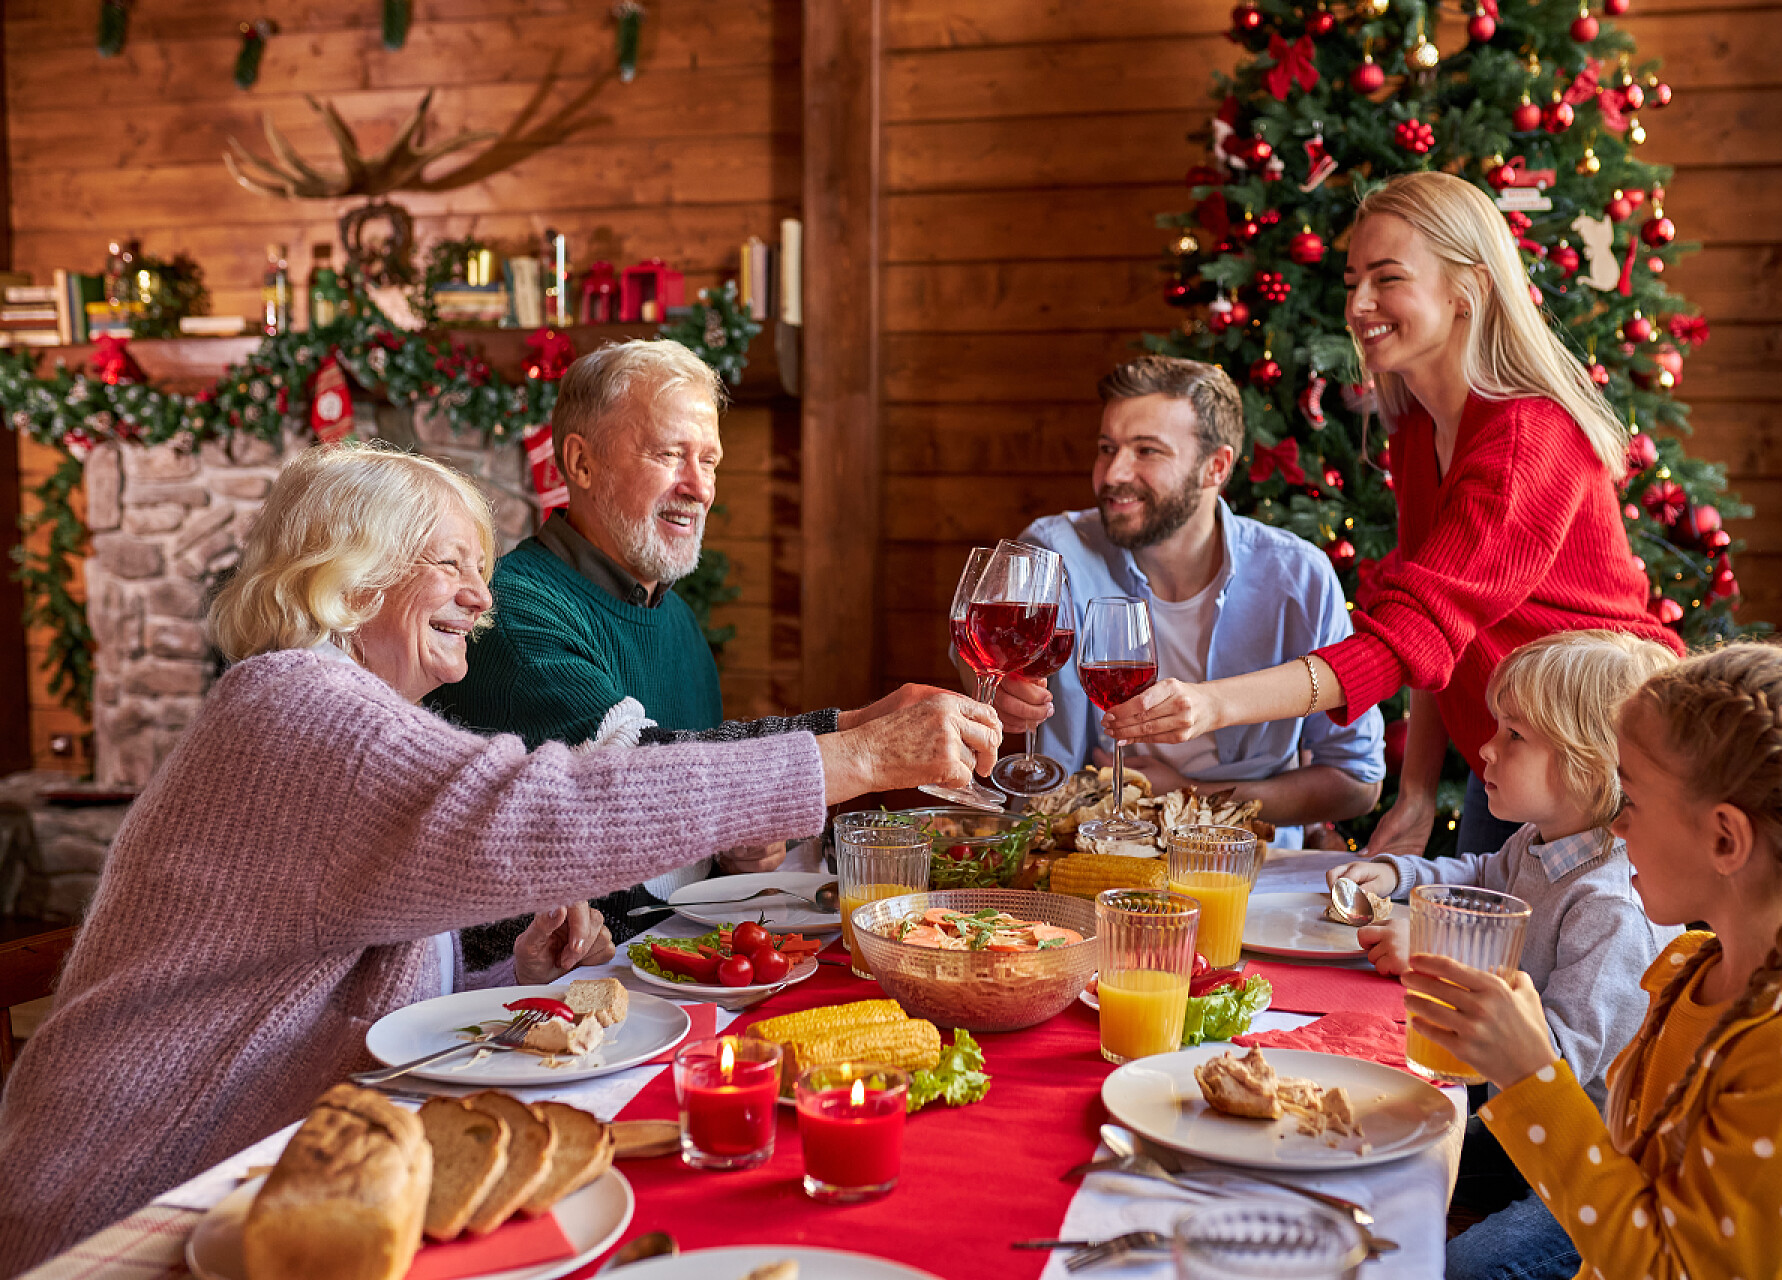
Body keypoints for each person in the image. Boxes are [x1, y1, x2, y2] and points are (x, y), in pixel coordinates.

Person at [0, 442, 997, 1274]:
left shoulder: (344, 715)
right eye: (451, 564)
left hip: (282, 1189)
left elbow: (340, 980)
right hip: (133, 1208)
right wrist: (848, 758)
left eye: (483, 567)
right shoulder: (291, 702)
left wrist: (507, 972)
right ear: (354, 569)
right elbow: (537, 801)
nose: (485, 596)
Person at [1101, 172, 1683, 858]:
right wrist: (1415, 792)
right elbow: (1441, 637)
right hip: (1516, 756)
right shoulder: (1416, 433)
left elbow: (1409, 635)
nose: (1359, 304)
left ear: (1468, 290)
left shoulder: (1527, 438)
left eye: (1387, 278)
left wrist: (1215, 703)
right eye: (1352, 280)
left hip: (1605, 758)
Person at [1406, 640, 1782, 1279]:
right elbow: (1633, 1178)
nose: (1616, 829)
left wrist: (1532, 1075)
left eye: (1634, 801)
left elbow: (1667, 1269)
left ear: (1725, 839)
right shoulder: (1691, 968)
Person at [428, 339, 947, 960]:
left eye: (710, 461)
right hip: (533, 1008)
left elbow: (693, 792)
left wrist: (734, 845)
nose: (699, 487)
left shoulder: (674, 618)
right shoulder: (517, 612)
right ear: (581, 463)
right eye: (671, 454)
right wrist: (856, 735)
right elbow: (637, 776)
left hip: (667, 983)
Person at [1329, 630, 1682, 1280]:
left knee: (1465, 1269)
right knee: (1359, 1145)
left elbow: (1556, 1066)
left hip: (1589, 1159)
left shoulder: (1613, 907)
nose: (1486, 748)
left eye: (1515, 735)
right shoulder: (1538, 843)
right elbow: (1482, 875)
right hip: (1513, 1128)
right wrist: (1399, 877)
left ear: (1588, 758)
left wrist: (1436, 954)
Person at [987, 355, 1384, 849]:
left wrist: (1190, 796)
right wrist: (998, 691)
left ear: (1215, 467)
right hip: (1073, 860)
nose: (1113, 474)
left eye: (1147, 451)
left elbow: (1356, 784)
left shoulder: (1299, 579)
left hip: (1243, 876)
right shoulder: (1055, 552)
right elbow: (978, 660)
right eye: (1106, 448)